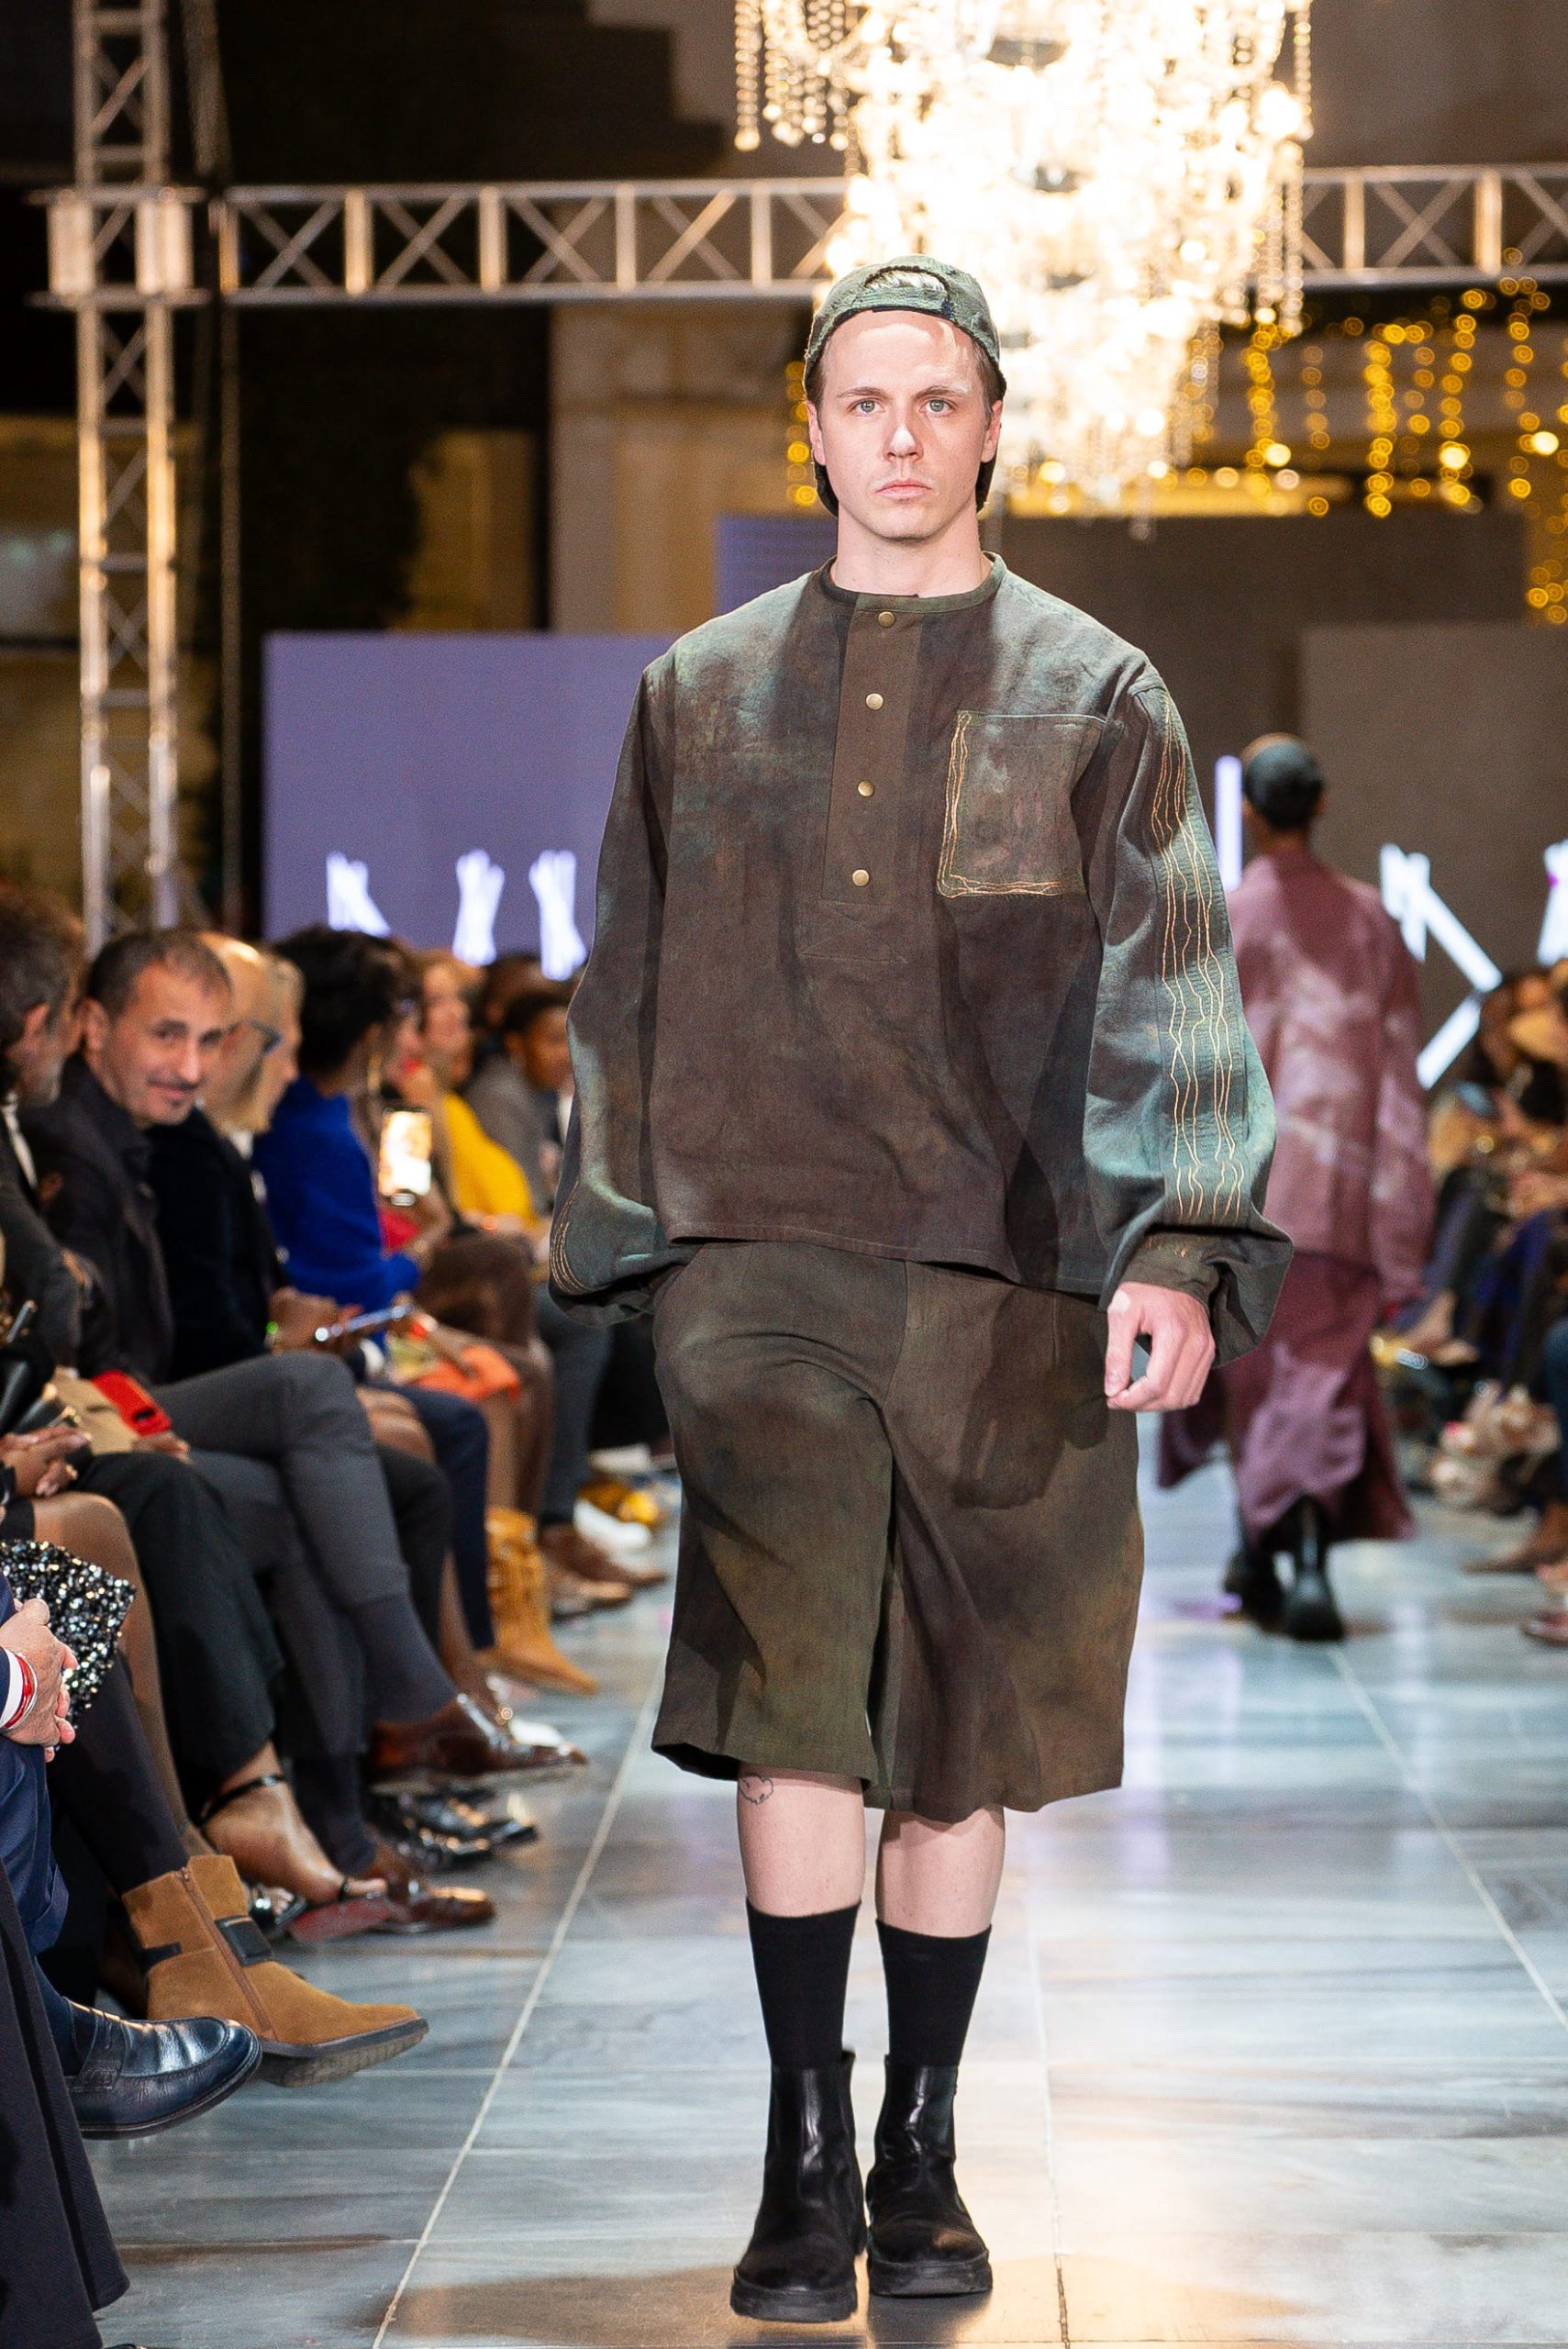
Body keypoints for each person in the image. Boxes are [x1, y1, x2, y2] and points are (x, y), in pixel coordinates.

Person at [552, 255, 1287, 2323]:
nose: (895, 433)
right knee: (793, 1712)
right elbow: (625, 974)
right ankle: (800, 2146)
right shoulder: (696, 692)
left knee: (954, 1737)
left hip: (1009, 1277)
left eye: (932, 399)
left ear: (988, 428)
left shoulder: (1095, 690)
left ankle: (920, 2140)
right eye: (860, 399)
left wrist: (1181, 1243)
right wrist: (625, 1238)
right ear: (810, 426)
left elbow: (1170, 978)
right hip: (759, 1262)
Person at [1162, 735, 1432, 1642]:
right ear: (1318, 805)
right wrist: (1402, 1216)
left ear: (1246, 811)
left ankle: (1267, 1547)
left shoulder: (1222, 918)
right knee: (1319, 1379)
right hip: (1343, 1192)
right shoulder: (1371, 923)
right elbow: (1398, 1080)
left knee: (1256, 1378)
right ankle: (1299, 1553)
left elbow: (1193, 1074)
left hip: (1245, 1193)